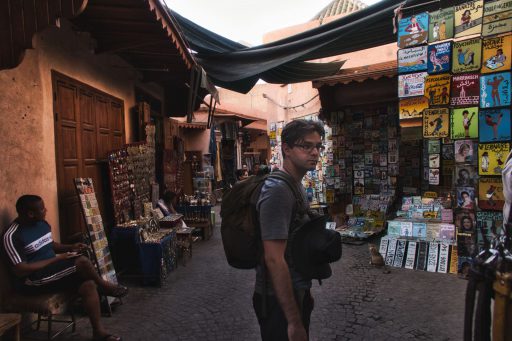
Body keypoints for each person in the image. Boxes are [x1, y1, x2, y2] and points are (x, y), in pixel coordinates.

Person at [1, 195, 126, 341]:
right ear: (30, 214)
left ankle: (98, 332)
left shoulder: (42, 224)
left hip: (51, 273)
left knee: (88, 285)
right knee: (82, 262)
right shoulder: (12, 236)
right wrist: (57, 258)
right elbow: (20, 269)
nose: (46, 210)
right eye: (42, 209)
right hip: (31, 281)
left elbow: (51, 245)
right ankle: (105, 286)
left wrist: (70, 247)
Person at [253, 119, 324, 340]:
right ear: (286, 149)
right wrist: (293, 321)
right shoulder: (278, 191)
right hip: (277, 301)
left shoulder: (295, 184)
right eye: (306, 146)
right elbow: (274, 259)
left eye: (318, 146)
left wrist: (305, 292)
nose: (314, 152)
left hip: (295, 292)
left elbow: (293, 247)